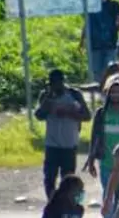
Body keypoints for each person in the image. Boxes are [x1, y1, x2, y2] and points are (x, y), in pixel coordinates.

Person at [36, 69, 90, 200]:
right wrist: (48, 103)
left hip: (69, 144)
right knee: (49, 177)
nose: (56, 86)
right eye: (52, 83)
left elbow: (87, 116)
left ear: (63, 82)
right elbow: (39, 115)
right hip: (52, 143)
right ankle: (52, 200)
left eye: (58, 83)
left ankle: (67, 202)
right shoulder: (46, 95)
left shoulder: (74, 94)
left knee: (68, 178)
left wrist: (69, 113)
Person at [85, 80, 119, 195]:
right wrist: (91, 160)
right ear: (108, 94)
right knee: (108, 192)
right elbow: (95, 137)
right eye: (113, 92)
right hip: (106, 160)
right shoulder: (101, 113)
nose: (116, 95)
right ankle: (109, 213)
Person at [84, 0, 119, 83]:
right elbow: (87, 23)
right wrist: (82, 40)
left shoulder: (114, 4)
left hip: (111, 43)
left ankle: (110, 88)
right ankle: (97, 90)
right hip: (95, 44)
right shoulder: (91, 5)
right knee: (96, 71)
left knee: (110, 68)